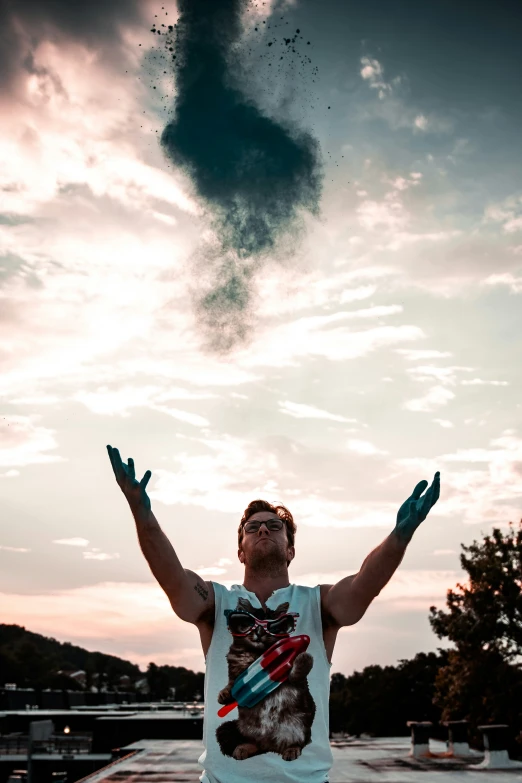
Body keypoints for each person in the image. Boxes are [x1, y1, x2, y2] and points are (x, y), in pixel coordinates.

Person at [107, 444, 440, 783]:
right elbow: (173, 576)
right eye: (252, 528)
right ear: (240, 551)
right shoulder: (215, 602)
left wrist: (401, 535)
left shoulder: (318, 604)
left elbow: (363, 585)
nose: (263, 529)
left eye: (273, 525)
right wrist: (141, 512)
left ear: (290, 549)